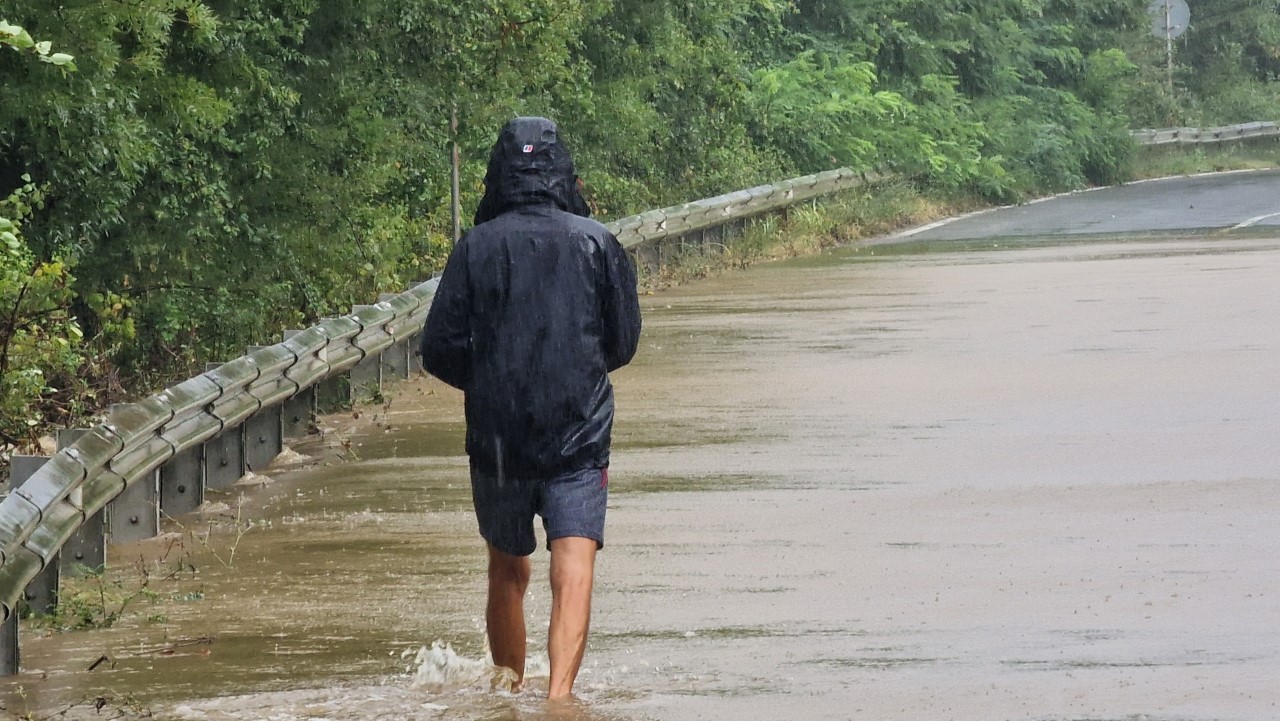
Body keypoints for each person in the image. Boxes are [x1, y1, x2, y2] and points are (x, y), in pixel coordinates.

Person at [420, 116, 642, 699]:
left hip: (498, 441)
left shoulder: (475, 247)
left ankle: (511, 689)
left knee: (507, 571)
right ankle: (559, 699)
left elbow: (438, 348)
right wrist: (574, 373)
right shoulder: (598, 242)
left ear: (498, 175)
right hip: (579, 432)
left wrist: (492, 380)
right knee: (575, 565)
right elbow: (623, 343)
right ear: (564, 172)